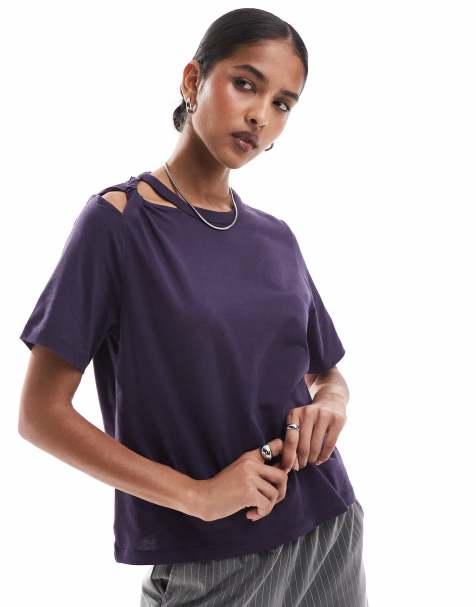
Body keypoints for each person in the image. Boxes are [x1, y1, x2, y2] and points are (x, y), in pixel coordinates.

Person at [17, 7, 368, 607]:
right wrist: (197, 496)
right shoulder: (118, 224)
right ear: (193, 80)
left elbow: (324, 371)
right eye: (246, 84)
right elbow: (39, 414)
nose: (260, 116)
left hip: (328, 527)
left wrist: (332, 402)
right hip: (211, 559)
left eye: (283, 103)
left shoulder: (276, 237)